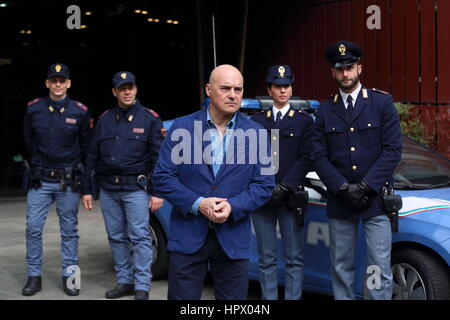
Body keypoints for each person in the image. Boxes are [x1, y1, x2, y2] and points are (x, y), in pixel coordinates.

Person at [152, 64, 275, 300]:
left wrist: (233, 206)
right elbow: (162, 178)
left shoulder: (258, 134)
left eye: (238, 89)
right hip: (188, 237)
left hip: (233, 237)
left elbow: (264, 184)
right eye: (226, 88)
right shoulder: (182, 127)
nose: (233, 95)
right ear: (208, 89)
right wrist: (198, 204)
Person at [312, 41, 402, 300]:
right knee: (341, 267)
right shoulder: (325, 110)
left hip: (374, 200)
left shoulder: (381, 103)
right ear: (333, 73)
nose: (345, 74)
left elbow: (392, 150)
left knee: (377, 267)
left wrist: (365, 187)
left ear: (360, 68)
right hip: (340, 201)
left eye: (350, 68)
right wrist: (341, 187)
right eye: (340, 69)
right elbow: (317, 156)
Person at [81, 71, 164, 300]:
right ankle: (124, 281)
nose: (127, 92)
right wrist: (87, 189)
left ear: (136, 89)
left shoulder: (149, 118)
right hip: (108, 189)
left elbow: (159, 159)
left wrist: (156, 193)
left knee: (140, 237)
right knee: (116, 236)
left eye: (130, 87)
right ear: (114, 92)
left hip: (136, 189)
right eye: (122, 88)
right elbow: (91, 156)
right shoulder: (105, 119)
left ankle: (142, 286)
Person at [22, 63, 92, 296]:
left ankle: (71, 278)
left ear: (69, 83)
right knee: (33, 228)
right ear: (47, 83)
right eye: (54, 80)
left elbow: (85, 147)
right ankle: (34, 276)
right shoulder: (33, 109)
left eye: (62, 80)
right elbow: (27, 143)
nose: (58, 84)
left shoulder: (80, 111)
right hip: (40, 179)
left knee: (69, 231)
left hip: (68, 181)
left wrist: (85, 184)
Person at [250, 65, 314, 300]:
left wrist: (285, 186)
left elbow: (307, 157)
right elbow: (251, 159)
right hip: (263, 198)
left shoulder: (304, 121)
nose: (283, 90)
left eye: (286, 86)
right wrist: (266, 187)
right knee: (266, 258)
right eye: (278, 86)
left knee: (294, 258)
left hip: (290, 197)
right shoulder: (256, 122)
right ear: (269, 90)